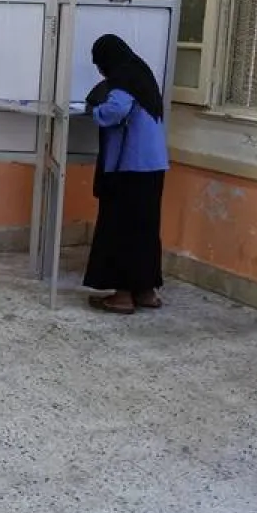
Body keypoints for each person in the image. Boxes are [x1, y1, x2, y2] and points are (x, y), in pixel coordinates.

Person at [82, 34, 169, 314]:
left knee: (120, 230)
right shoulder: (142, 75)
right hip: (153, 166)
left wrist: (94, 111)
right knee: (145, 229)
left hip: (130, 166)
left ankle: (121, 296)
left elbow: (116, 110)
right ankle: (146, 291)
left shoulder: (123, 80)